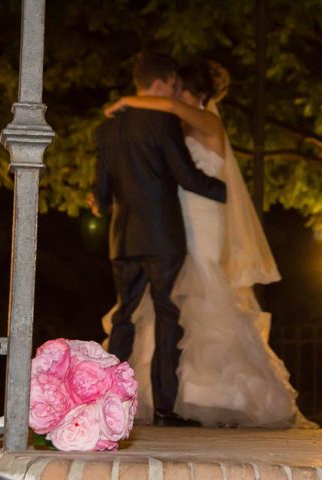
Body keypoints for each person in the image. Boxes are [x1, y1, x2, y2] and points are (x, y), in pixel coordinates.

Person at [102, 59, 317, 428]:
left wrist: (127, 101)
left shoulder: (209, 123)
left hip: (203, 220)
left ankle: (213, 396)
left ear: (198, 95)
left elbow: (168, 105)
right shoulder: (172, 130)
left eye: (182, 90)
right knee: (167, 303)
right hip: (173, 222)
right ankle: (161, 394)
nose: (175, 96)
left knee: (204, 295)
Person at [92, 52, 227, 427]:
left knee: (124, 317)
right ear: (161, 83)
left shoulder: (106, 129)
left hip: (122, 238)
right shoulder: (163, 121)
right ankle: (165, 409)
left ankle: (109, 404)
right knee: (168, 315)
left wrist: (99, 203)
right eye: (172, 85)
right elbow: (186, 176)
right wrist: (224, 193)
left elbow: (101, 193)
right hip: (163, 234)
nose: (175, 90)